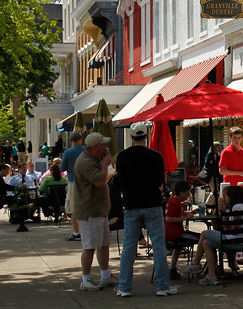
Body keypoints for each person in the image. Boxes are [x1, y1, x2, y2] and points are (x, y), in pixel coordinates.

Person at [116, 123, 176, 296]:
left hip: (132, 204)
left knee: (129, 246)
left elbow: (121, 180)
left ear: (131, 137)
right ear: (146, 136)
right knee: (158, 246)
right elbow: (159, 181)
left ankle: (124, 287)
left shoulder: (122, 157)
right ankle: (163, 286)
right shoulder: (156, 156)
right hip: (152, 203)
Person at [183, 185, 243, 285]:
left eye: (226, 196)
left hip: (237, 241)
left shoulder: (237, 207)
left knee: (204, 233)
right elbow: (226, 229)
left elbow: (232, 229)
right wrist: (223, 213)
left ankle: (196, 264)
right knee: (206, 243)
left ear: (232, 196)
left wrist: (223, 214)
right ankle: (211, 275)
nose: (224, 198)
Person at [72, 133, 116, 291]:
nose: (106, 147)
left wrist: (104, 159)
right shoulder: (86, 162)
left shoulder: (93, 158)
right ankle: (86, 279)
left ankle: (105, 275)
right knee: (90, 246)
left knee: (103, 245)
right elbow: (99, 180)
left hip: (99, 210)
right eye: (103, 144)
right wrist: (105, 163)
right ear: (96, 147)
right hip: (90, 211)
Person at [164, 180, 201, 279]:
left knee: (178, 249)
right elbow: (169, 218)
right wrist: (185, 218)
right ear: (181, 193)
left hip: (172, 233)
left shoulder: (174, 200)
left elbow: (180, 213)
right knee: (202, 238)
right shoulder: (175, 203)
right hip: (175, 234)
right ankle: (195, 264)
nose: (189, 195)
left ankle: (172, 268)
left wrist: (190, 212)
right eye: (187, 193)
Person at [60, 131, 85, 241]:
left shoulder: (68, 152)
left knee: (73, 209)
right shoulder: (87, 151)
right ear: (81, 140)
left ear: (71, 141)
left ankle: (76, 233)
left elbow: (62, 168)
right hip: (87, 183)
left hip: (73, 182)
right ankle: (86, 231)